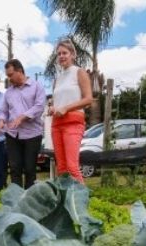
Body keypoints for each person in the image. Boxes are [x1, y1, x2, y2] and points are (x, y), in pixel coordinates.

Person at [0, 59, 46, 188]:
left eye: (10, 75)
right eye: (7, 76)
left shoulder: (37, 86)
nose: (9, 78)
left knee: (30, 169)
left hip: (32, 135)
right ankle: (16, 200)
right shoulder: (8, 92)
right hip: (12, 135)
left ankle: (29, 201)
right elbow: (4, 111)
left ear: (19, 71)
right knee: (14, 169)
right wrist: (1, 121)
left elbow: (40, 106)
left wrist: (22, 117)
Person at [50, 38, 93, 183]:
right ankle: (65, 202)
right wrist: (53, 108)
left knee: (72, 166)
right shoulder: (57, 79)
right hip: (56, 124)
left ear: (73, 55)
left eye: (65, 53)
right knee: (61, 167)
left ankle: (80, 203)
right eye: (59, 54)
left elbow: (88, 99)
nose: (61, 56)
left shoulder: (79, 72)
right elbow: (58, 103)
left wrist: (66, 108)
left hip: (73, 123)